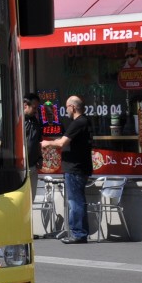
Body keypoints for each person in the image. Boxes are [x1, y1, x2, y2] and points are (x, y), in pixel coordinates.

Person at [41, 95, 94, 243]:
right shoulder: (85, 121)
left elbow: (61, 143)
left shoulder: (78, 122)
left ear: (73, 107)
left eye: (67, 107)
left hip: (75, 169)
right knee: (78, 201)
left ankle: (78, 233)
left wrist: (45, 143)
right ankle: (81, 232)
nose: (66, 110)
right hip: (80, 167)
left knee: (75, 202)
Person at [24, 92, 43, 180]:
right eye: (34, 108)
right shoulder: (14, 120)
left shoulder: (35, 121)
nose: (36, 111)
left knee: (32, 194)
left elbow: (38, 141)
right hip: (20, 168)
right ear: (25, 105)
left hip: (33, 167)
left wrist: (40, 157)